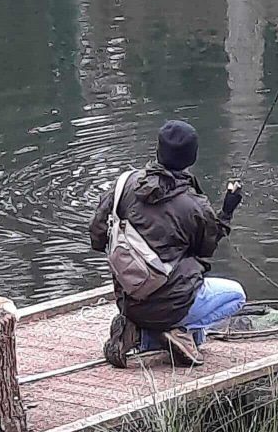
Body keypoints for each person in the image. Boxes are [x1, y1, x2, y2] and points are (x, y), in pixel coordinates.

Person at [89, 119, 245, 368]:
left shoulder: (122, 186)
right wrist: (226, 211)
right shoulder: (194, 205)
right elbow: (207, 249)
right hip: (172, 305)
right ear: (192, 158)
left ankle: (139, 331)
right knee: (236, 295)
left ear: (158, 150)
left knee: (190, 323)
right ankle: (163, 332)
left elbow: (97, 237)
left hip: (128, 300)